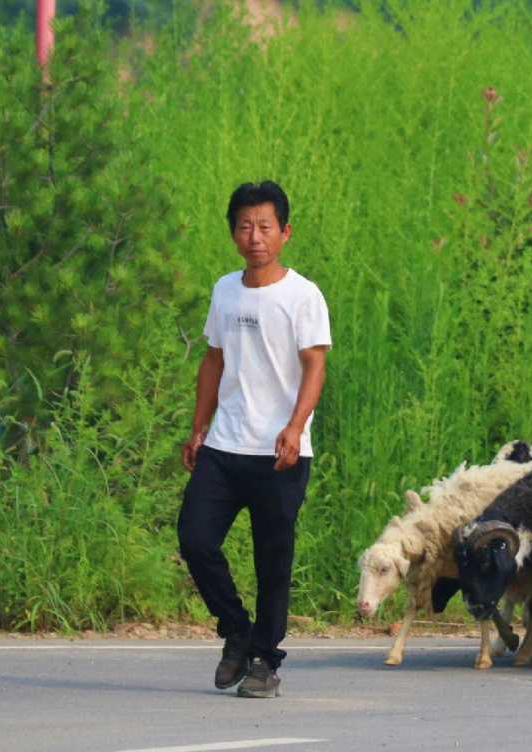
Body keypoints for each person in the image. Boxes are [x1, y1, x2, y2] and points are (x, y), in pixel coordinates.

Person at [178, 181, 331, 698]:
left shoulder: (302, 295)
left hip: (279, 452)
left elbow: (315, 365)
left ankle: (265, 658)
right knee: (195, 539)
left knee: (272, 560)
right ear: (233, 233)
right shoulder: (225, 289)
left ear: (284, 233)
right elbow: (214, 361)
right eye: (245, 226)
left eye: (265, 226)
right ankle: (237, 633)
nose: (255, 236)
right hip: (224, 446)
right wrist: (199, 427)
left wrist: (295, 425)